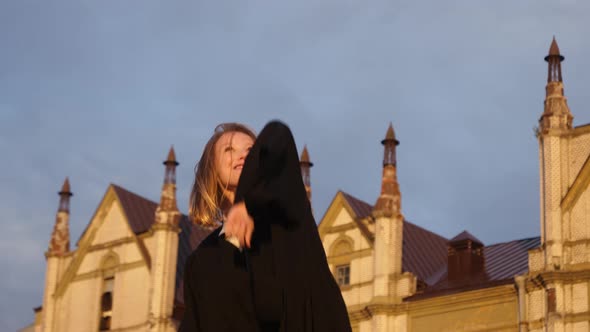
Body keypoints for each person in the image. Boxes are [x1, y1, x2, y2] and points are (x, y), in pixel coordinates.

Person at [179, 121, 351, 332]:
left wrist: (248, 202)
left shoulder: (287, 222)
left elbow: (280, 135)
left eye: (252, 150)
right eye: (229, 150)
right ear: (211, 169)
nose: (243, 156)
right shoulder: (201, 262)